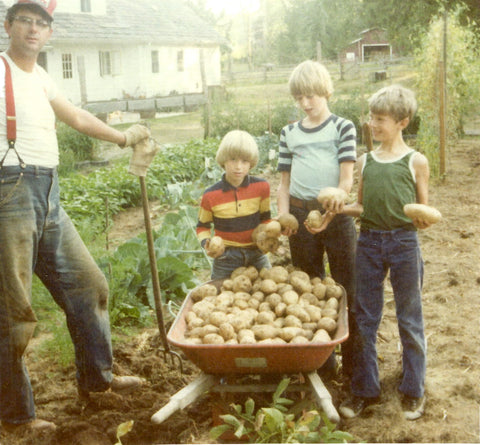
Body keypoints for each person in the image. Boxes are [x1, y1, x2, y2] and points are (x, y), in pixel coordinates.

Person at [0, 0, 154, 434]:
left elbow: (78, 119)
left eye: (41, 24)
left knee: (88, 285)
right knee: (12, 313)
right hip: (9, 192)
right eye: (25, 21)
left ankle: (98, 382)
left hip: (49, 193)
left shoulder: (42, 76)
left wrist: (124, 137)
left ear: (50, 34)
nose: (33, 29)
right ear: (8, 26)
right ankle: (16, 418)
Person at [337, 84, 430, 420]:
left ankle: (413, 389)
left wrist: (422, 220)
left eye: (381, 120)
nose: (373, 125)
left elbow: (423, 209)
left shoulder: (415, 161)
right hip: (370, 243)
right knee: (365, 317)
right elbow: (361, 206)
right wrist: (338, 209)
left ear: (402, 122)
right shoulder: (367, 161)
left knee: (409, 317)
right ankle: (365, 389)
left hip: (405, 243)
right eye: (371, 118)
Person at [276, 60, 357, 379]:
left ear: (326, 92)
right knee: (308, 288)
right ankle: (321, 364)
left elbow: (346, 181)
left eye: (311, 96)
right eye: (299, 98)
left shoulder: (342, 127)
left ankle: (353, 364)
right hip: (300, 216)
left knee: (347, 287)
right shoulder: (289, 133)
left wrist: (330, 211)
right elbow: (283, 183)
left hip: (334, 216)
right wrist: (284, 215)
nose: (305, 103)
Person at [197, 130, 272, 279]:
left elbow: (266, 219)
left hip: (257, 253)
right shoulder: (210, 195)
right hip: (225, 257)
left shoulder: (262, 187)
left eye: (244, 161)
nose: (238, 166)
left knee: (268, 288)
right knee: (221, 294)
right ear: (223, 160)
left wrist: (270, 235)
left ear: (251, 163)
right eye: (233, 159)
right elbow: (202, 227)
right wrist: (207, 243)